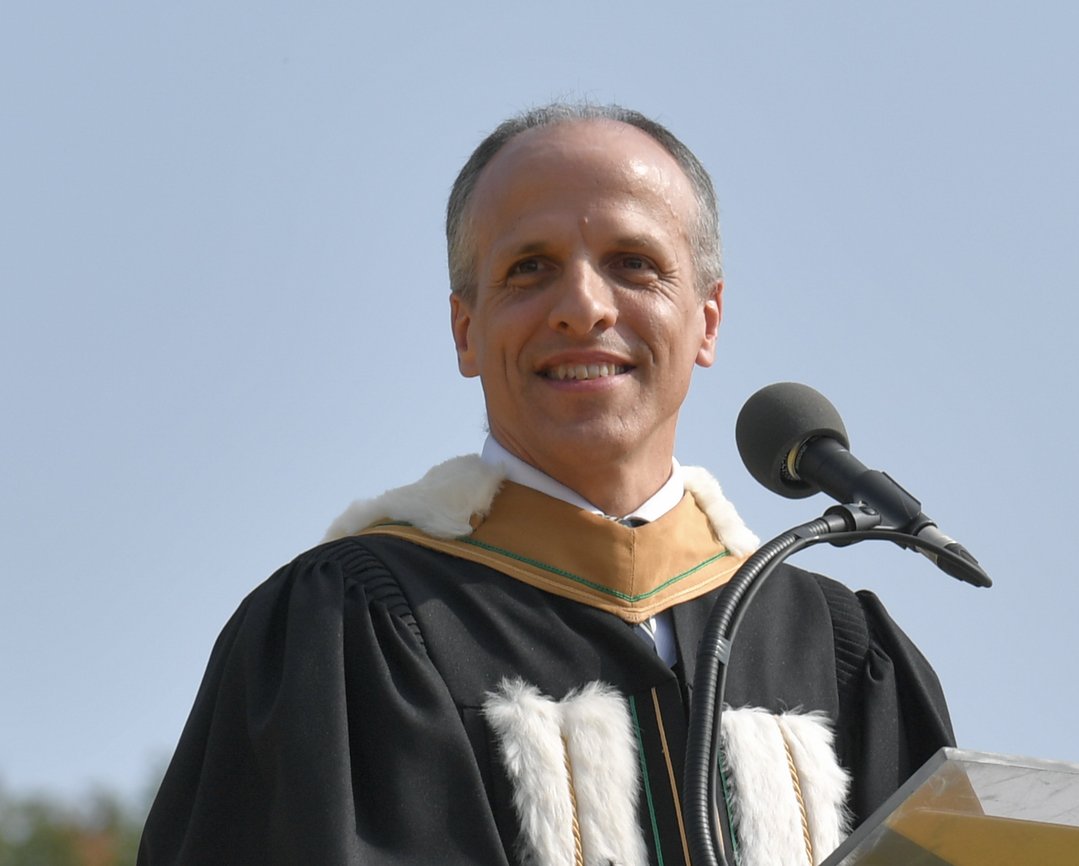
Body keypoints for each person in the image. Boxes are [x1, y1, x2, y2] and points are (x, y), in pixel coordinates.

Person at [139, 103, 954, 866]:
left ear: (707, 320)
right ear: (467, 329)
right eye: (530, 270)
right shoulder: (354, 634)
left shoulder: (838, 652)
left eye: (634, 264)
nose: (583, 307)